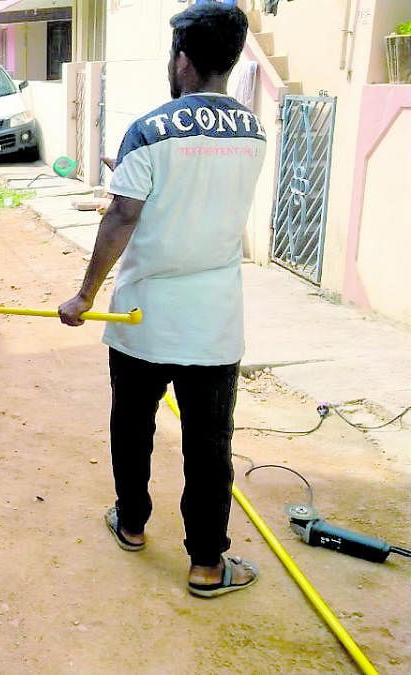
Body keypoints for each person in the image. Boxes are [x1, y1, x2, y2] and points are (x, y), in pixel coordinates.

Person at [58, 3, 266, 599]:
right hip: (212, 322)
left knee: (132, 425)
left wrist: (83, 295)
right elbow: (196, 193)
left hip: (141, 318)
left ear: (181, 57)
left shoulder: (148, 130)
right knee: (209, 442)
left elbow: (124, 216)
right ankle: (206, 563)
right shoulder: (253, 131)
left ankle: (130, 524)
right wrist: (129, 176)